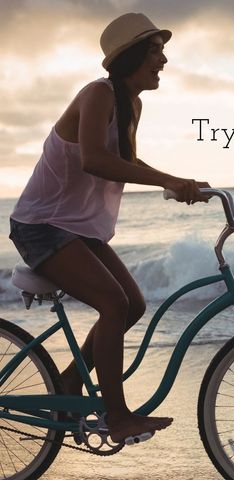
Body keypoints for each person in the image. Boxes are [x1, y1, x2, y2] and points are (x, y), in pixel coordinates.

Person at [8, 12, 210, 443]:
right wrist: (166, 181)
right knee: (113, 304)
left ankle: (67, 381)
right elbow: (94, 159)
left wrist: (180, 181)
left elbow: (127, 161)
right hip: (41, 225)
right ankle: (116, 418)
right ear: (134, 55)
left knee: (131, 304)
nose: (164, 60)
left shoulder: (130, 103)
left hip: (75, 228)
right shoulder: (97, 94)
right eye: (156, 50)